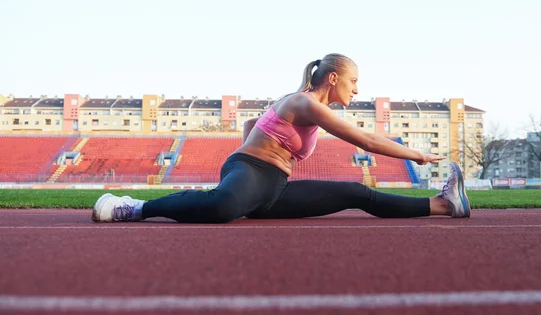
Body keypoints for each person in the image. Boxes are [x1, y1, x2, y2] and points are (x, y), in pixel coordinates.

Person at [92, 53, 470, 223]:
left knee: (356, 193)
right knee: (223, 208)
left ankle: (444, 205)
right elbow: (365, 140)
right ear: (334, 78)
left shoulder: (301, 107)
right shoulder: (305, 103)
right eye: (354, 81)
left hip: (274, 187)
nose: (358, 90)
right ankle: (134, 207)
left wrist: (252, 147)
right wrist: (416, 155)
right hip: (253, 171)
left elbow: (254, 122)